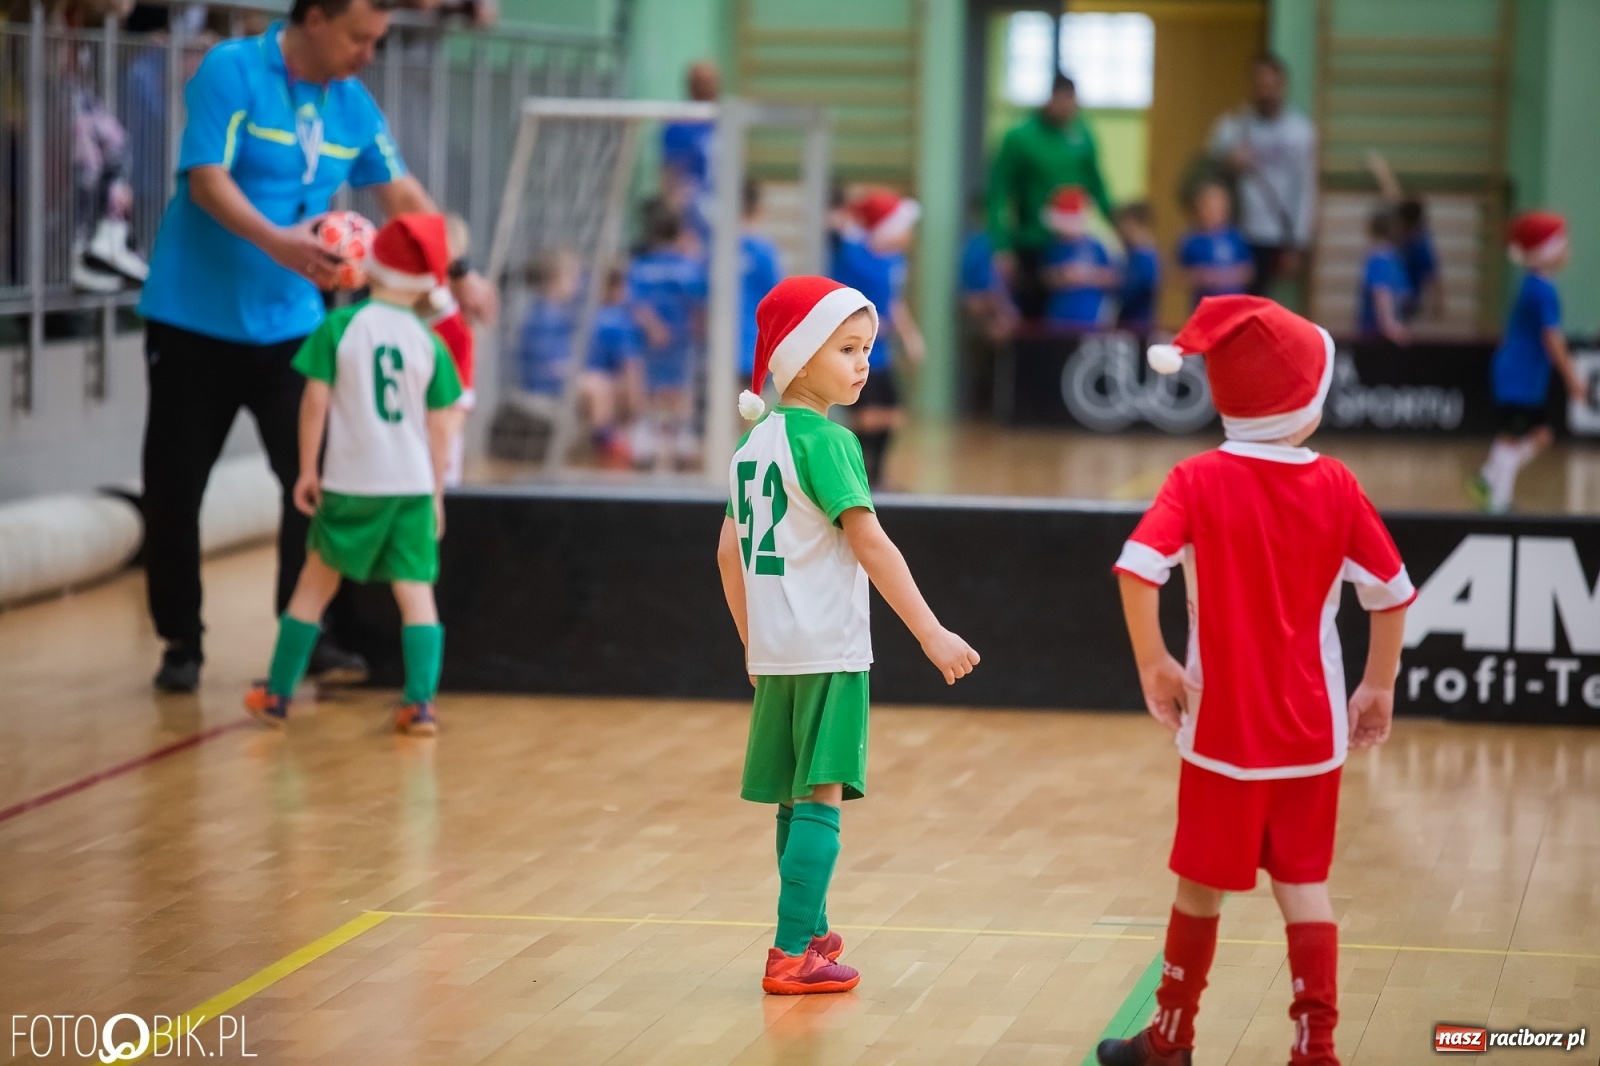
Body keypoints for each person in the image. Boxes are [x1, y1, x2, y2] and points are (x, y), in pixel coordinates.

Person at [136, 0, 496, 694]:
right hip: (192, 320)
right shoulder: (232, 70)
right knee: (175, 491)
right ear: (319, 17)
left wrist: (458, 270)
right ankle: (181, 640)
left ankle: (308, 630)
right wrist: (279, 241)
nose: (369, 52)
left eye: (378, 40)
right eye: (361, 37)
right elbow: (206, 179)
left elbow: (403, 194)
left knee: (317, 483)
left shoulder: (353, 105)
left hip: (291, 328)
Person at [1101, 295, 1415, 1066]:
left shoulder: (1197, 478)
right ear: (1305, 408)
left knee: (1198, 889)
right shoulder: (1337, 485)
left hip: (1221, 733)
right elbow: (1393, 591)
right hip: (1313, 734)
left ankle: (1170, 1040)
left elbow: (1138, 569)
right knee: (1305, 884)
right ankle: (1318, 1047)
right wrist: (1377, 686)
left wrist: (1155, 662)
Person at [718, 275, 980, 996]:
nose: (864, 362)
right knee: (823, 797)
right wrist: (930, 632)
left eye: (867, 348)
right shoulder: (829, 441)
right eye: (848, 348)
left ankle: (811, 931)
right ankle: (789, 952)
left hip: (777, 653)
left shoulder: (753, 444)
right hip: (827, 650)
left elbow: (725, 555)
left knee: (793, 799)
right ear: (799, 359)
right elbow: (871, 543)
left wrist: (751, 643)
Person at [244, 214, 463, 735]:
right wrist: (435, 492)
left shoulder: (339, 328)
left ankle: (276, 695)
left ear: (370, 264)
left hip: (350, 483)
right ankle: (420, 704)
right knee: (416, 594)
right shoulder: (430, 343)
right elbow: (441, 427)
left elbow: (313, 403)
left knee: (313, 587)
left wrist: (305, 470)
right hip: (409, 486)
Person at [1468, 212, 1584, 514]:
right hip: (1518, 378)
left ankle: (1488, 479)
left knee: (1538, 435)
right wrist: (1572, 378)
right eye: (1562, 243)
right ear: (1547, 249)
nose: (1567, 250)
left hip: (1524, 377)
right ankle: (1498, 501)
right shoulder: (1542, 290)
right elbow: (1553, 340)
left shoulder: (1534, 284)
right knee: (1513, 437)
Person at [988, 75, 1114, 320]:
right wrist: (1001, 246)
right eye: (1063, 102)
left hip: (1074, 242)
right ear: (1051, 99)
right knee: (1035, 320)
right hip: (1034, 241)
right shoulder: (1020, 138)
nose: (1069, 110)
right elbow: (998, 194)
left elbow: (1096, 184)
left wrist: (1116, 224)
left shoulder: (1082, 135)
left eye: (1073, 104)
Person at [828, 189, 924, 487]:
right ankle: (856, 475)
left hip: (881, 353)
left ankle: (876, 476)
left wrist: (910, 337)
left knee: (892, 413)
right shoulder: (852, 255)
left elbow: (894, 303)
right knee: (866, 415)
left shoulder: (895, 262)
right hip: (855, 350)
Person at [1206, 54, 1316, 301]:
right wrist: (1228, 164)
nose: (1266, 93)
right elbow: (1202, 179)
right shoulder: (1231, 126)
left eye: (1271, 86)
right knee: (1231, 302)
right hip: (1236, 231)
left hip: (1278, 233)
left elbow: (1306, 189)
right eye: (1260, 85)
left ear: (1283, 86)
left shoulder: (1300, 132)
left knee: (1267, 305)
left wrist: (1298, 244)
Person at [628, 200, 707, 470]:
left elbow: (635, 304)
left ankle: (651, 442)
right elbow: (699, 303)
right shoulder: (687, 267)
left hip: (649, 341)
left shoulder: (640, 266)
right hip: (680, 339)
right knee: (679, 390)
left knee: (651, 389)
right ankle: (679, 441)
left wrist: (652, 327)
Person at [422, 212, 476, 485]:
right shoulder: (392, 316)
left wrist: (438, 445)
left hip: (435, 444)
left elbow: (460, 403)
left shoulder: (457, 329)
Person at [660, 60, 719, 248]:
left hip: (722, 208)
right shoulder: (679, 126)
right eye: (701, 82)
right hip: (693, 214)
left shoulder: (724, 121)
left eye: (710, 82)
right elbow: (670, 177)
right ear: (690, 85)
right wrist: (678, 228)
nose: (706, 87)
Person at [1041, 186, 1116, 332]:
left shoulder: (1096, 246)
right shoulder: (1053, 247)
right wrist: (1061, 276)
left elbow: (1114, 277)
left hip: (1090, 318)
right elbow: (1045, 277)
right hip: (1058, 318)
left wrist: (1085, 275)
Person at [739, 178, 784, 393]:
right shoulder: (763, 252)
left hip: (719, 347)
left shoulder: (714, 249)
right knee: (747, 415)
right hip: (752, 348)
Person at [1178, 182, 1253, 307]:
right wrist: (1200, 276)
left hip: (1233, 307)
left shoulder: (1236, 237)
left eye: (1219, 206)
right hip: (1204, 309)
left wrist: (1224, 277)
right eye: (1209, 206)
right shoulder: (1191, 239)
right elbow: (1178, 274)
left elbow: (1248, 272)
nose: (1214, 211)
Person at [1356, 208, 1410, 346]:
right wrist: (1390, 324)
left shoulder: (1382, 258)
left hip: (1380, 333)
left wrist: (1389, 325)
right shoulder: (1386, 259)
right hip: (1378, 333)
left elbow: (1383, 291)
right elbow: (1384, 292)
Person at [1113, 202, 1160, 335]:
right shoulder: (1129, 254)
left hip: (1139, 324)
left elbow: (1139, 288)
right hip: (1126, 321)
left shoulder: (1145, 256)